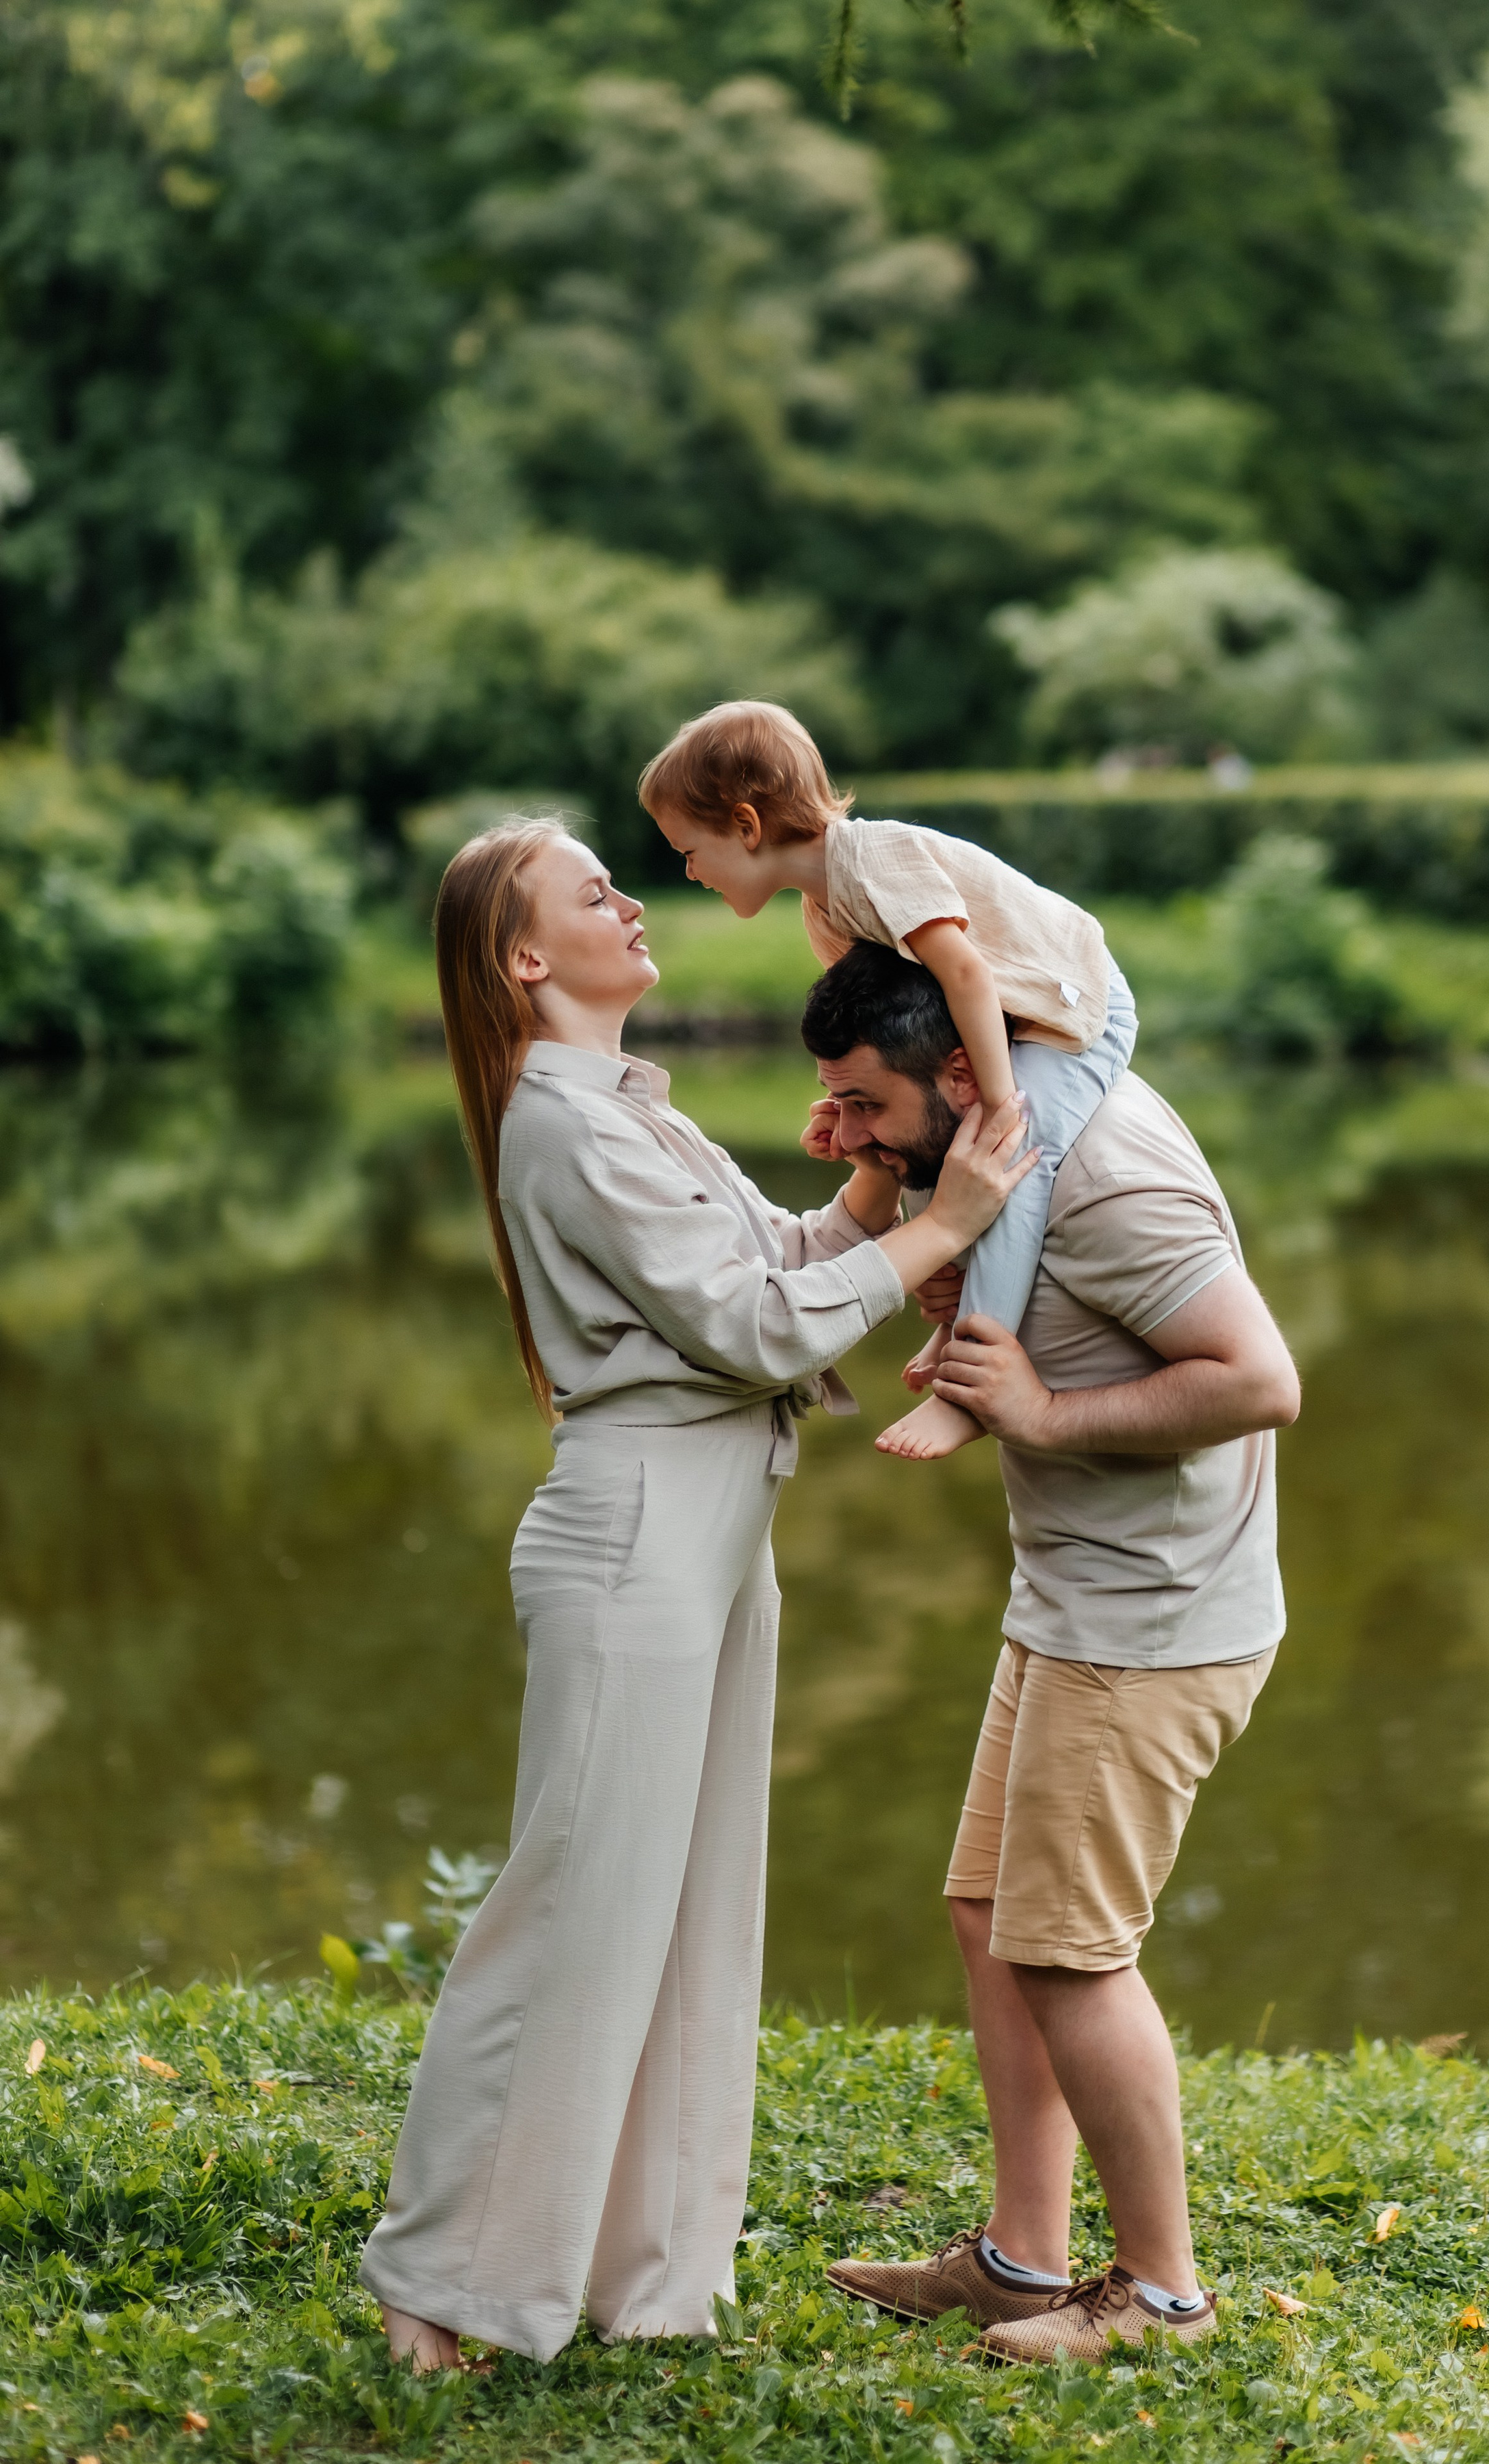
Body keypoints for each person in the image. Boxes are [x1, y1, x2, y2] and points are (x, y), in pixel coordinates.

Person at [359, 821, 1034, 2372]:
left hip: (718, 1522)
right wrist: (945, 1221)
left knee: (683, 1908)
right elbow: (745, 1326)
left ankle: (634, 2269)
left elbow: (768, 1269)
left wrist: (871, 1190)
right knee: (569, 1910)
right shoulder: (562, 1119)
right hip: (638, 1529)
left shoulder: (629, 1108)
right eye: (595, 891)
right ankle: (439, 2276)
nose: (632, 899)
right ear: (528, 958)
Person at [797, 941, 1301, 2366]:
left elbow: (1260, 1381)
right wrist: (882, 1172)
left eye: (866, 1102)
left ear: (959, 1070)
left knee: (1070, 1954)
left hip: (1150, 1629)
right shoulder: (1000, 1138)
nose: (852, 1130)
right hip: (1074, 1601)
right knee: (987, 1914)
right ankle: (1023, 2263)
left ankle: (1160, 2299)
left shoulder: (1110, 1179)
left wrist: (1037, 1413)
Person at [638, 700, 1137, 1462]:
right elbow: (888, 1049)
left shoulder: (875, 861)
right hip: (997, 1023)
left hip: (1069, 1004)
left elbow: (964, 970)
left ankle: (970, 1393)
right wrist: (849, 1109)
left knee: (1007, 1160)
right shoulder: (823, 909)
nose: (688, 871)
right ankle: (955, 1323)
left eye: (689, 849)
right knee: (918, 1142)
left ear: (745, 825)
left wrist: (1001, 1105)